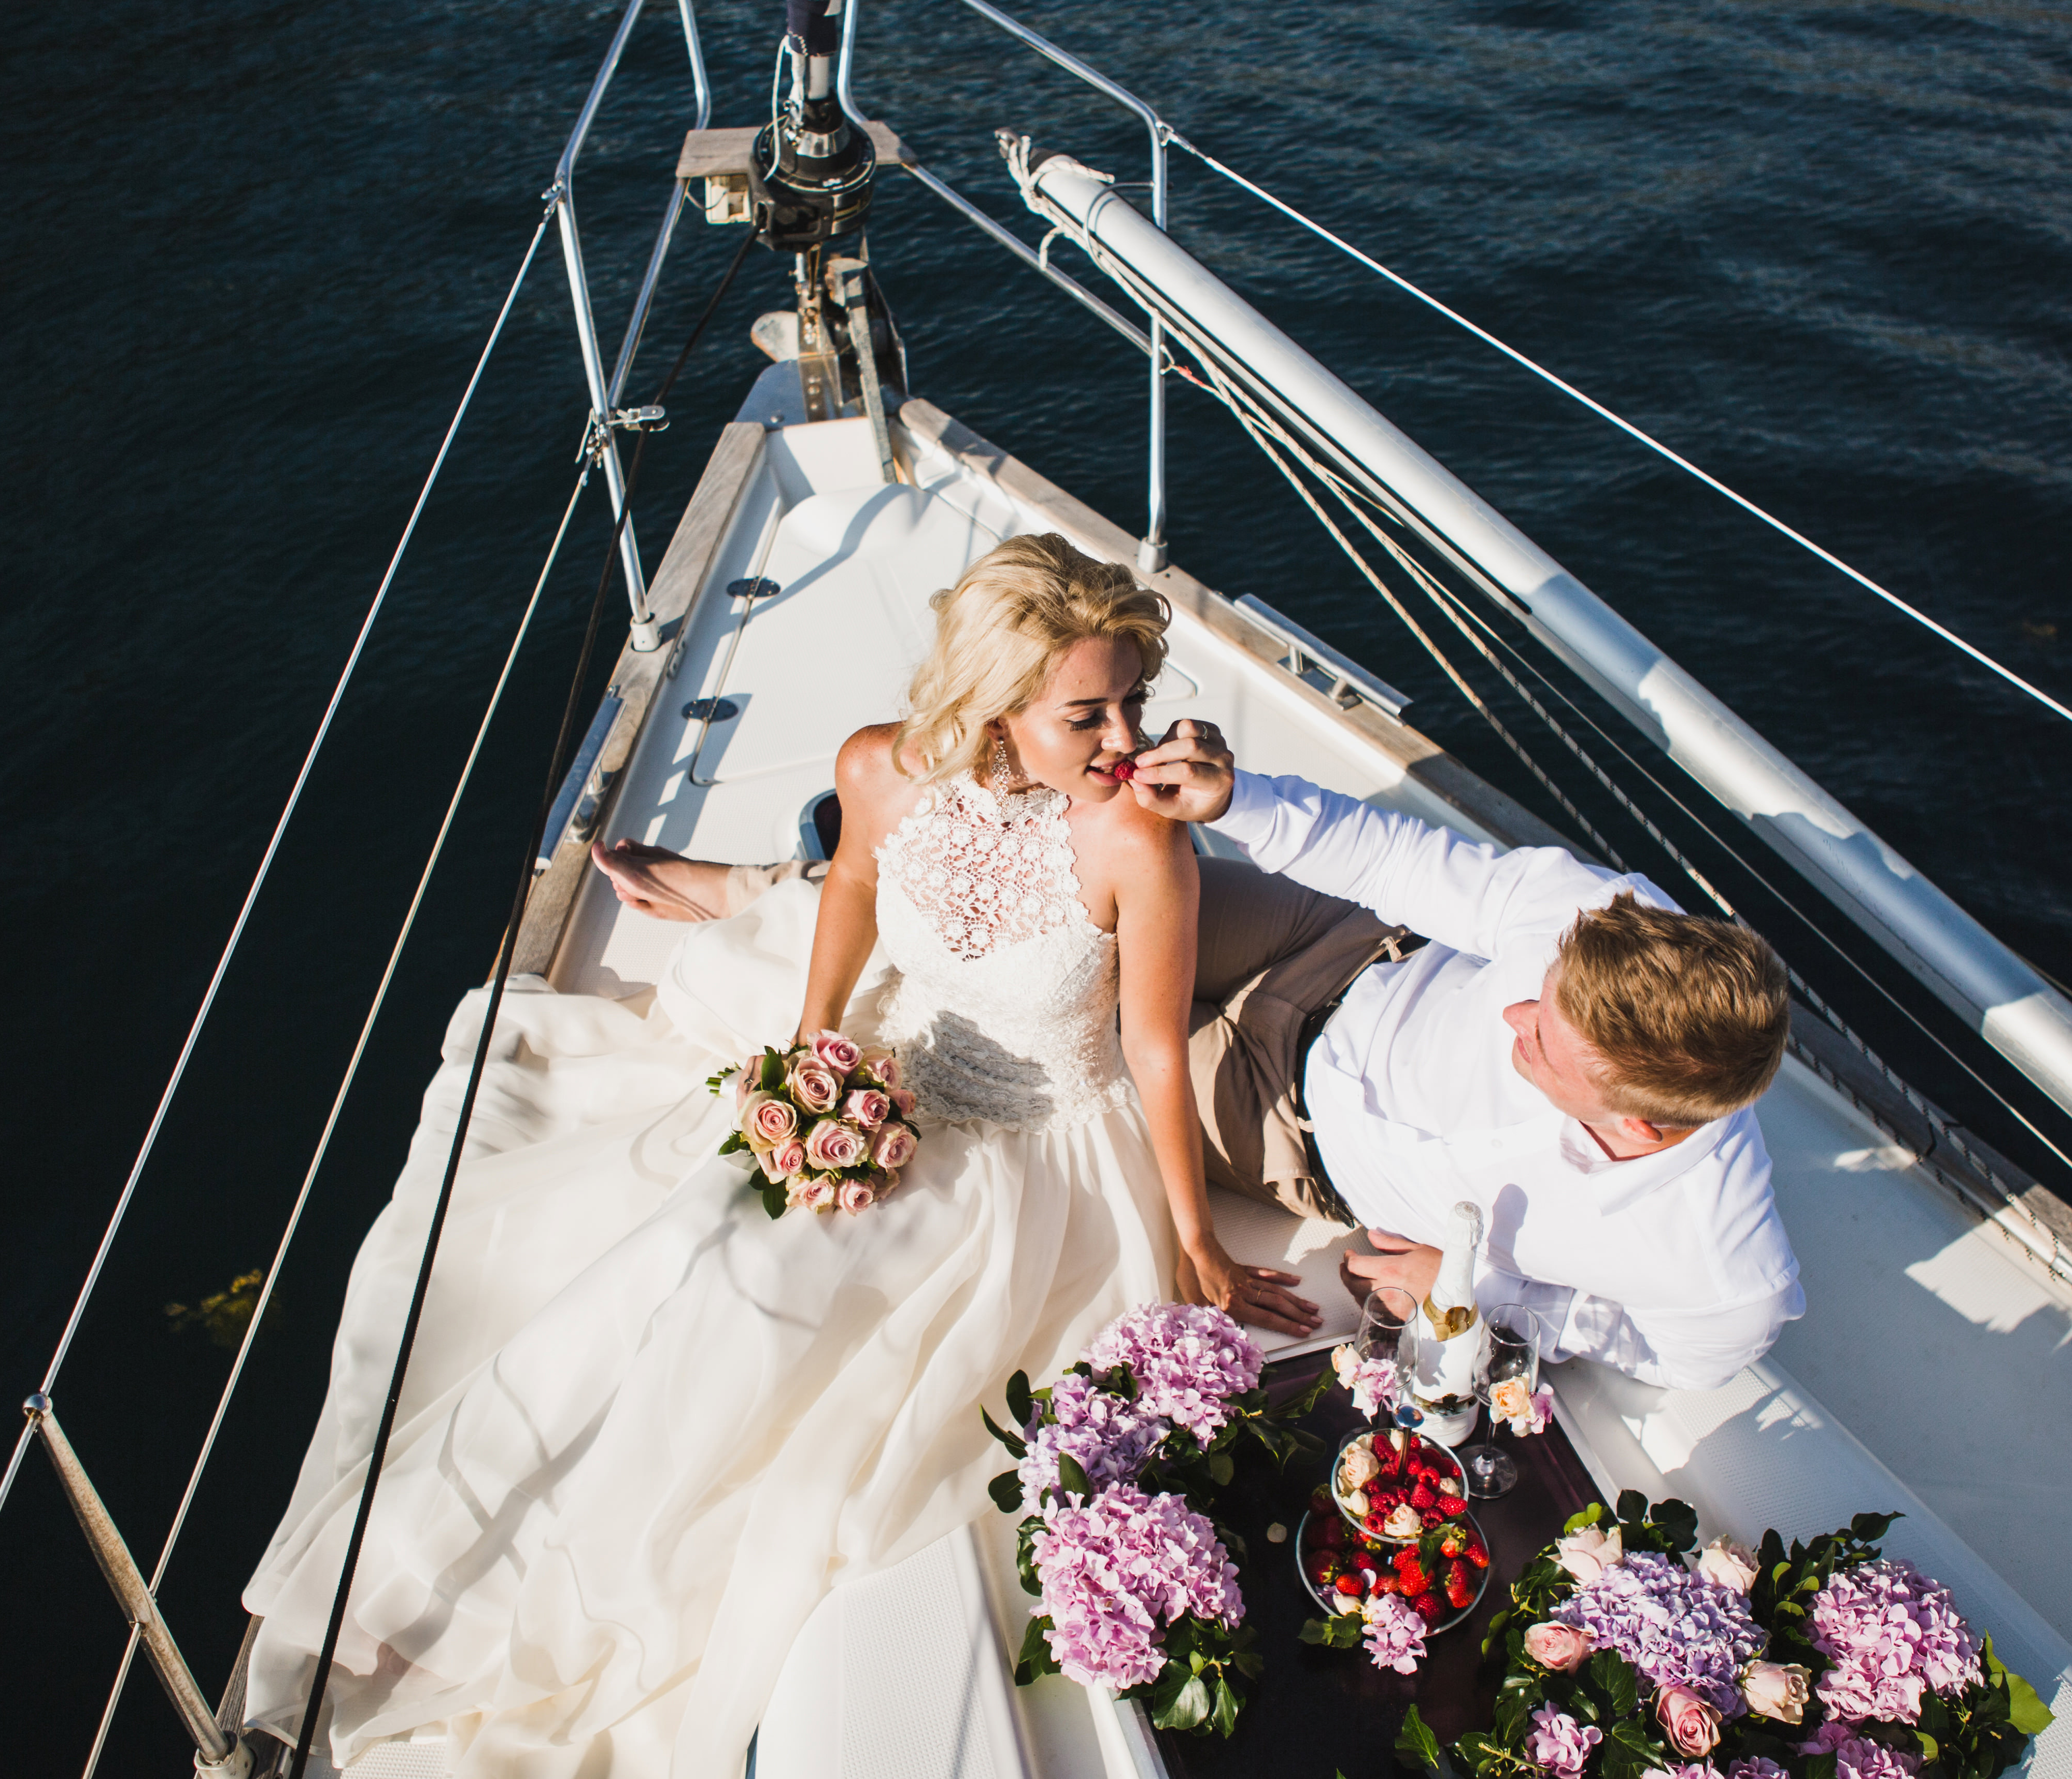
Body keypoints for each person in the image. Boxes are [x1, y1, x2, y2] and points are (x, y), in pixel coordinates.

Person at [239, 535, 1315, 1777]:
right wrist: (816, 1045)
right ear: (995, 707)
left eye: (1135, 700)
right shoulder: (880, 766)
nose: (1126, 737)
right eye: (1089, 713)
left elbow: (1153, 1048)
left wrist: (1193, 1237)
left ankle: (579, 1607)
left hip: (1039, 1148)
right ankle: (436, 1573)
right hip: (885, 1079)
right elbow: (850, 889)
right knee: (689, 1256)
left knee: (776, 1327)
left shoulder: (1138, 840)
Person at [1126, 718, 1804, 1393]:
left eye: (1542, 1037)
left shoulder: (1727, 1273)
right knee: (1092, 920)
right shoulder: (1611, 919)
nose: (1513, 1015)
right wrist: (1237, 802)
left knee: (1089, 1042)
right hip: (1335, 944)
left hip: (1281, 1129)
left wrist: (1481, 1291)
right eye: (1541, 991)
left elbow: (1684, 1360)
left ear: (1638, 1126)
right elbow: (1401, 862)